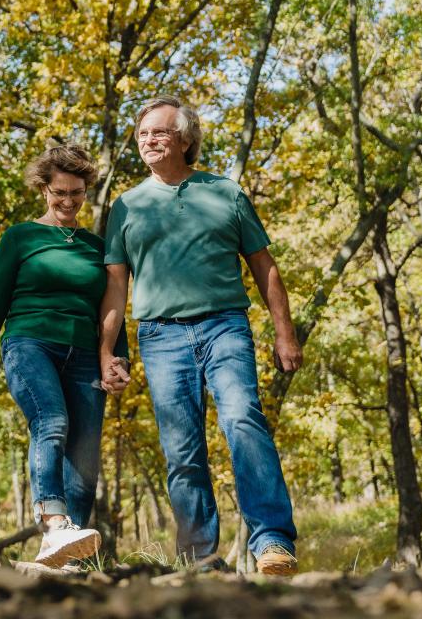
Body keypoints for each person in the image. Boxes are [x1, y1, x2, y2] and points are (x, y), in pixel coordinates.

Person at [98, 95, 302, 576]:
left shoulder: (225, 193)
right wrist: (107, 350)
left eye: (159, 132)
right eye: (143, 133)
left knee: (242, 420)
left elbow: (264, 267)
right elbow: (114, 284)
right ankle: (200, 558)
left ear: (185, 140)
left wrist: (284, 334)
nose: (148, 140)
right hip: (160, 336)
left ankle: (272, 539)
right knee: (182, 450)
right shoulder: (126, 206)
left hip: (224, 326)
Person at [0, 141, 127, 567]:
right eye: (59, 193)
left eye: (76, 193)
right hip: (29, 343)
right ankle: (53, 521)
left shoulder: (96, 246)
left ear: (86, 191)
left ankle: (70, 554)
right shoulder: (21, 237)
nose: (68, 201)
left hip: (86, 354)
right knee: (51, 421)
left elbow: (111, 306)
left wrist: (117, 358)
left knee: (85, 452)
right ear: (44, 190)